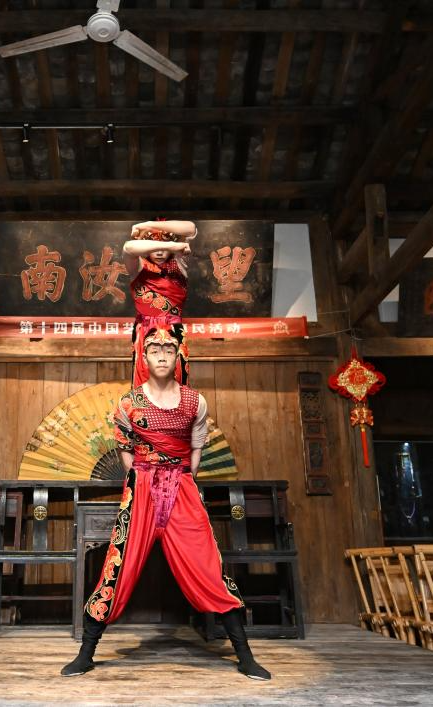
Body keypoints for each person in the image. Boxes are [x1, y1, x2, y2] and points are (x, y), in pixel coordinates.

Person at [61, 329, 271, 681]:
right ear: (143, 357)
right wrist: (143, 477)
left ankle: (245, 656)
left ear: (178, 357)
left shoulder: (194, 402)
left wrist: (180, 477)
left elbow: (196, 449)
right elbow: (125, 449)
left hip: (182, 487)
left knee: (208, 565)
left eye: (168, 349)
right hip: (141, 487)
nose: (161, 355)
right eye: (154, 349)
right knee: (119, 564)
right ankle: (86, 654)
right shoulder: (128, 403)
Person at [123, 220, 196, 388]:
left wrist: (147, 225)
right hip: (145, 330)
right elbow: (128, 248)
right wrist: (172, 246)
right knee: (143, 382)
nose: (160, 251)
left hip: (173, 330)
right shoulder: (138, 266)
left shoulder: (179, 264)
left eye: (164, 245)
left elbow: (190, 228)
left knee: (177, 381)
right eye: (154, 246)